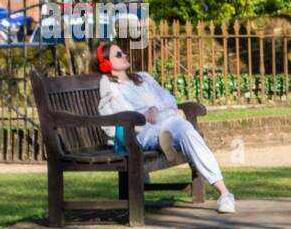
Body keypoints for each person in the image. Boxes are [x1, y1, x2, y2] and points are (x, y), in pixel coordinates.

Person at [95, 43, 236, 214]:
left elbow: (168, 98)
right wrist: (146, 114)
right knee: (174, 131)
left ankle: (225, 193)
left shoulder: (143, 78)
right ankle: (164, 142)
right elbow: (121, 113)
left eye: (123, 52)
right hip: (140, 130)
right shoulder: (111, 87)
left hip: (166, 120)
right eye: (118, 54)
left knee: (187, 131)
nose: (124, 55)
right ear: (106, 63)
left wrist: (158, 110)